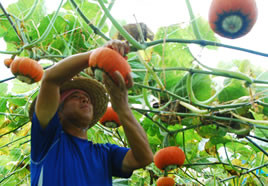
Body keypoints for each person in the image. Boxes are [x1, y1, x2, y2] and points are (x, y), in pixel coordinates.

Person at [29, 40, 153, 186]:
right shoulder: (47, 139)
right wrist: (98, 54)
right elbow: (50, 79)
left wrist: (122, 108)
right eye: (74, 96)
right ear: (58, 112)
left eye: (87, 99)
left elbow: (144, 157)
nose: (84, 99)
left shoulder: (105, 153)